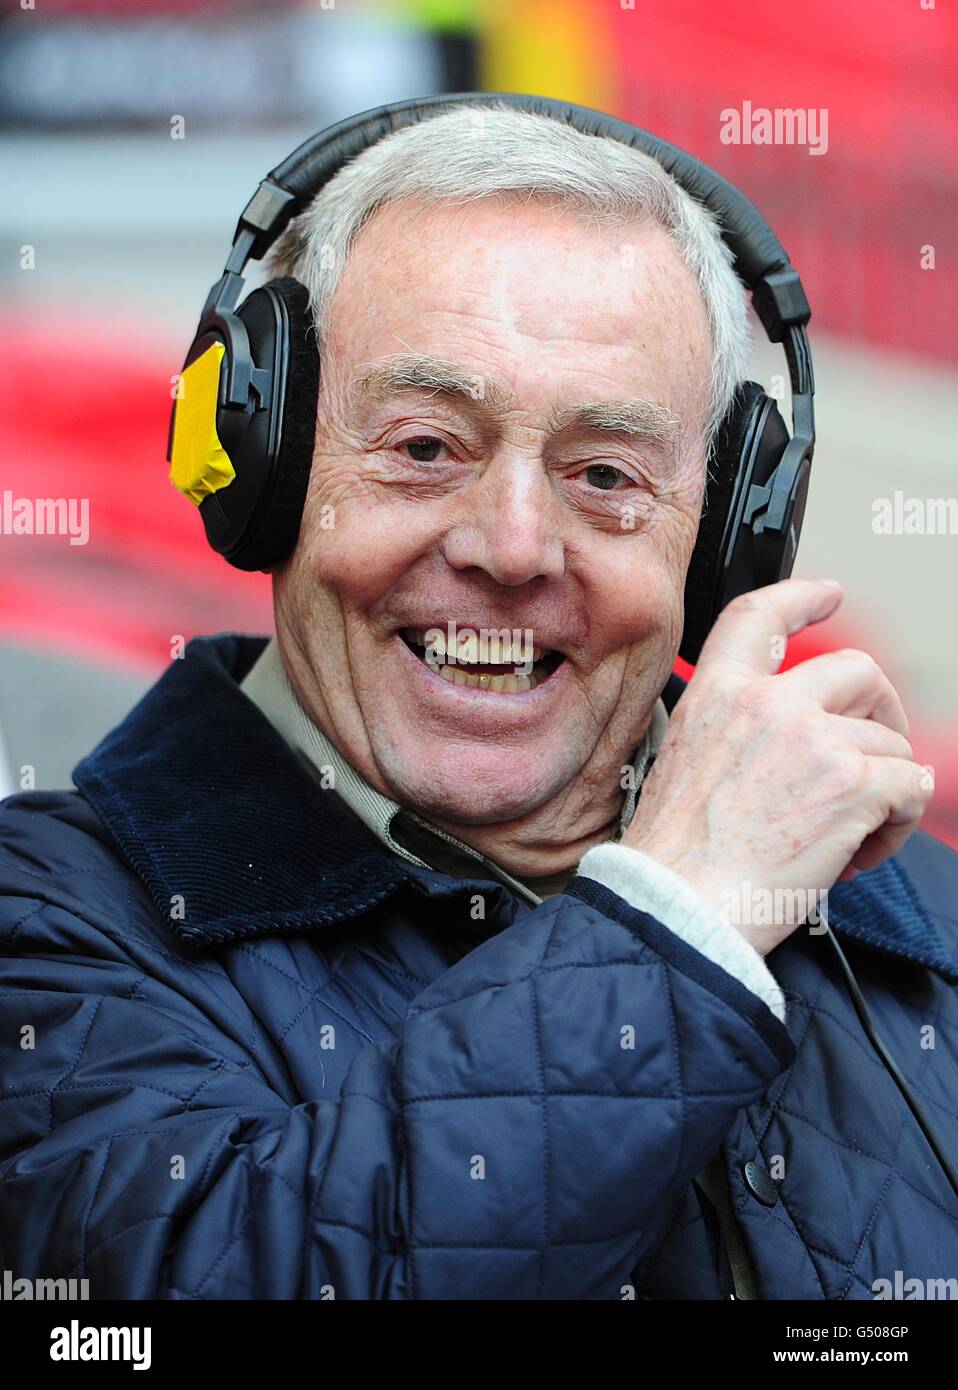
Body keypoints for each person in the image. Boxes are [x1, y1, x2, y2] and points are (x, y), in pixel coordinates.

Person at [1, 97, 956, 1302]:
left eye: (603, 474)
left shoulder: (916, 918)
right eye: (423, 447)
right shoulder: (42, 926)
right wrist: (684, 914)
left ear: (723, 539)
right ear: (264, 461)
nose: (512, 546)